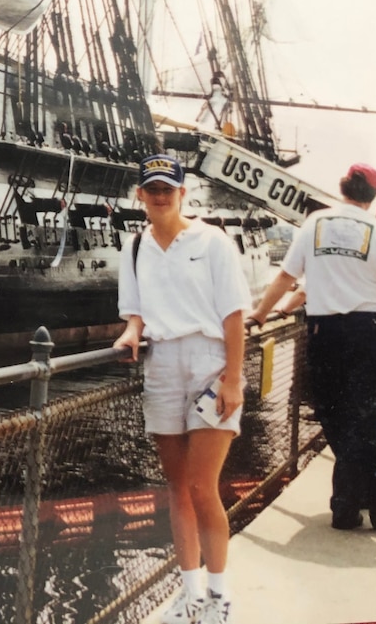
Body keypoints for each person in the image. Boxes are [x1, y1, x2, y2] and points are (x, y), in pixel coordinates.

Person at [115, 154, 249, 624]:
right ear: (140, 194)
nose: (159, 196)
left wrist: (233, 378)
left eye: (167, 189)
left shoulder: (212, 242)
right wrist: (132, 332)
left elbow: (234, 316)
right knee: (176, 487)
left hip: (211, 364)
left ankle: (219, 596)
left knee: (201, 486)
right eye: (151, 188)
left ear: (182, 194)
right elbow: (135, 309)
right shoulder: (134, 247)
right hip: (162, 363)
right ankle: (189, 593)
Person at [249, 163, 376, 531]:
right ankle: (363, 489)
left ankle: (355, 497)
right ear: (372, 196)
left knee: (331, 411)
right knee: (362, 416)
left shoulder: (314, 225)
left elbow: (287, 277)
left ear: (342, 188)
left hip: (327, 331)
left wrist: (260, 314)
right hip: (371, 329)